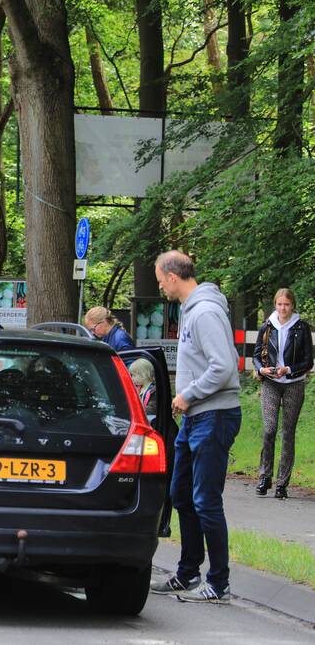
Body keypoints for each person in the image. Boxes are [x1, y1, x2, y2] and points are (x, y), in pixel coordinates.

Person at [150, 250, 241, 604]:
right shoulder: (193, 311)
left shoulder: (204, 312)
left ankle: (219, 581)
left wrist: (188, 394)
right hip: (196, 417)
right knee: (181, 493)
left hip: (213, 415)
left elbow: (224, 367)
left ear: (173, 276)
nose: (159, 286)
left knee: (205, 500)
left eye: (160, 279)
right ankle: (188, 572)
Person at [252, 288, 312, 499]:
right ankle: (264, 476)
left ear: (292, 305)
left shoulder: (301, 328)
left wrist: (290, 369)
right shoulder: (267, 326)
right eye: (279, 304)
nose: (283, 308)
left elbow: (308, 361)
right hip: (270, 383)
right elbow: (257, 354)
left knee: (287, 433)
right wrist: (261, 369)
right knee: (269, 429)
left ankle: (282, 483)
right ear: (275, 305)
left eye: (286, 304)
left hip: (293, 384)